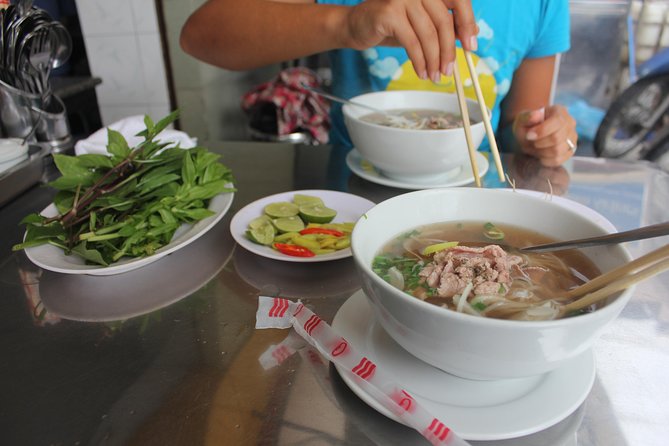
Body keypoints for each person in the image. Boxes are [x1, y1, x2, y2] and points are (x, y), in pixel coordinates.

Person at [180, 0, 578, 167]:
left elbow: (514, 129)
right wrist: (345, 23)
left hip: (474, 194)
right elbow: (200, 35)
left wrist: (539, 134)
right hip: (354, 186)